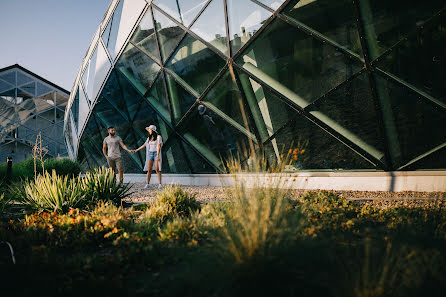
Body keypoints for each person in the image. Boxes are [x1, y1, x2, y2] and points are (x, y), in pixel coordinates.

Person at [131, 125, 163, 189]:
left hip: (156, 153)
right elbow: (144, 145)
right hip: (150, 154)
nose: (149, 131)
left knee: (157, 169)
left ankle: (160, 184)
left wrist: (158, 156)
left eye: (149, 130)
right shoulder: (149, 138)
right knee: (149, 169)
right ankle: (147, 184)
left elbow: (159, 146)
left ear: (153, 130)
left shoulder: (158, 137)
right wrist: (136, 150)